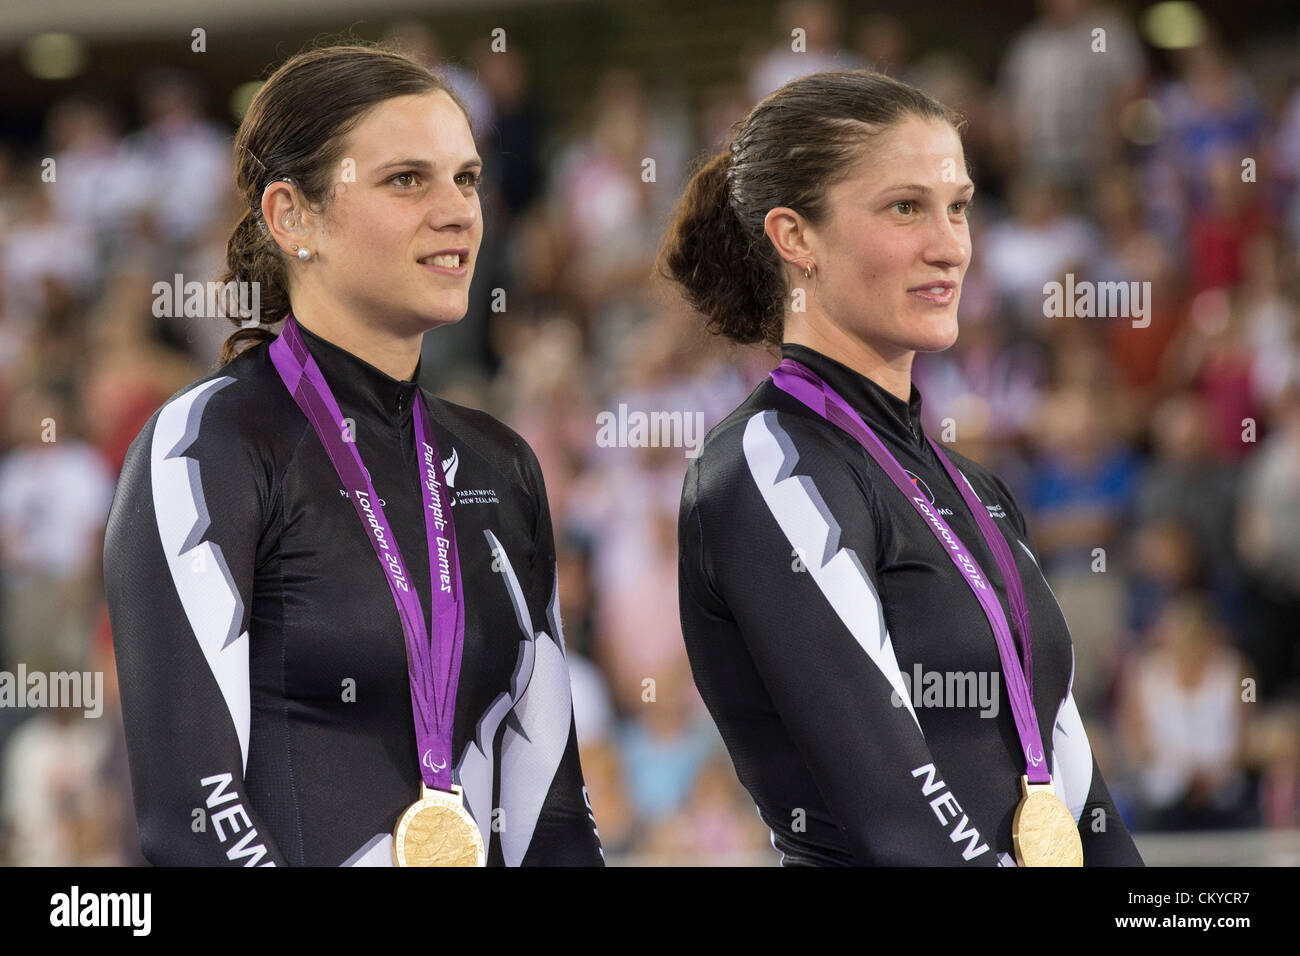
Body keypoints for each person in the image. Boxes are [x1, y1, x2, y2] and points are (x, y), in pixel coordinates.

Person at [103, 44, 602, 866]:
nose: (458, 211)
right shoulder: (210, 445)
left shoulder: (499, 463)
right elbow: (192, 819)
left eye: (467, 178)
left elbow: (553, 817)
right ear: (292, 217)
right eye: (407, 179)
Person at [660, 70, 1142, 866]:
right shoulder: (768, 463)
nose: (951, 245)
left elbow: (1086, 805)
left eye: (958, 206)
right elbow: (898, 812)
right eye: (905, 207)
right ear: (796, 238)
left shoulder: (975, 487)